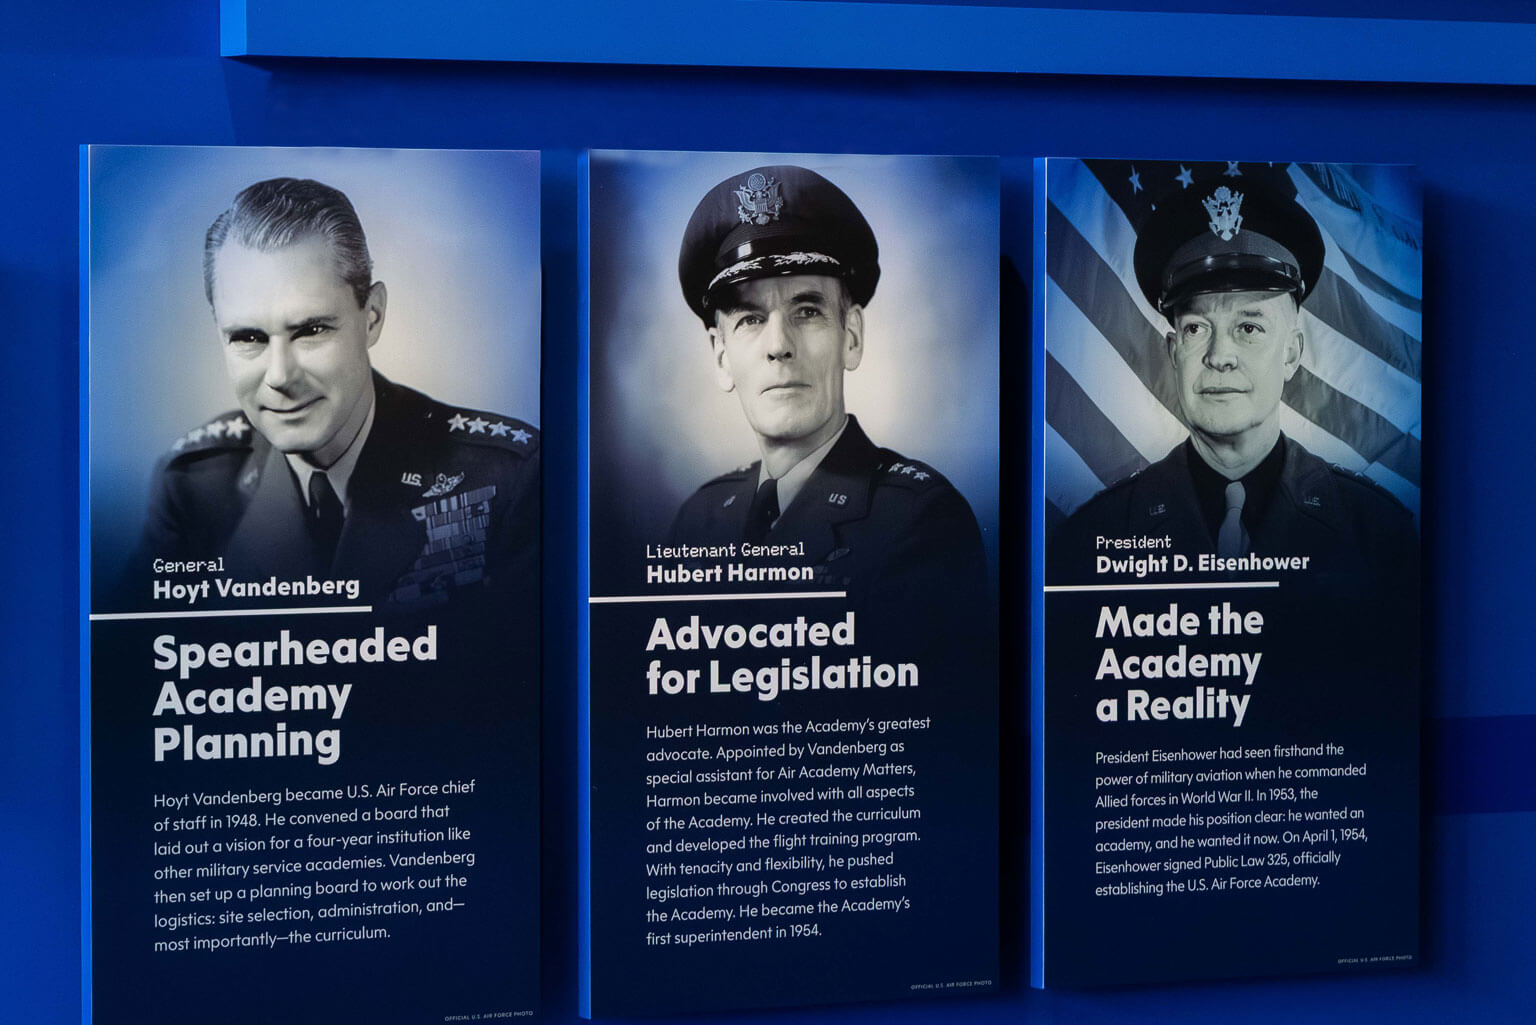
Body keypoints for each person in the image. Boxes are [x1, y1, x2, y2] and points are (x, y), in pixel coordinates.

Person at [138, 177, 538, 610]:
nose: (279, 375)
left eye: (311, 330)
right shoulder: (195, 488)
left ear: (372, 317)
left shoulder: (505, 479)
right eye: (248, 337)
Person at [1049, 176, 1417, 584]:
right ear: (1174, 353)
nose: (1219, 356)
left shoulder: (1380, 535)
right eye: (1196, 329)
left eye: (1249, 327)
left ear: (1291, 354)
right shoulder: (1091, 538)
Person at [669, 165, 986, 606]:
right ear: (721, 356)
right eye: (751, 319)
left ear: (851, 337)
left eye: (808, 311)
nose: (779, 346)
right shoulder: (697, 520)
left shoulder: (919, 521)